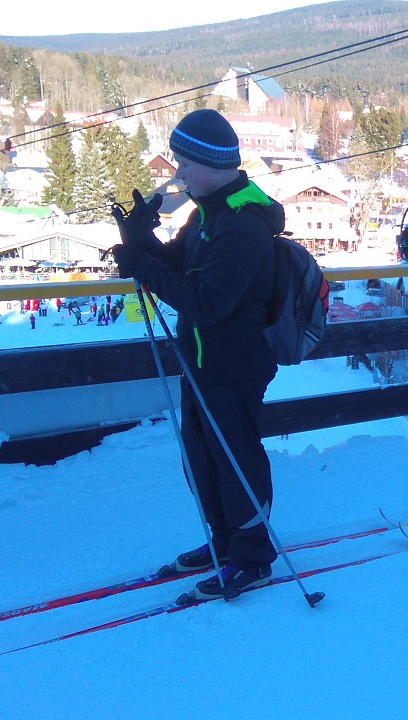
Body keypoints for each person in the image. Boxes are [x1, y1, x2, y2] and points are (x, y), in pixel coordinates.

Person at [110, 109, 282, 600]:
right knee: (203, 459)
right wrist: (140, 238)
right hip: (202, 365)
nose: (179, 173)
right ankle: (225, 542)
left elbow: (205, 302)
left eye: (186, 164)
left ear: (212, 164)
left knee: (235, 459)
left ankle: (252, 557)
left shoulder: (243, 226)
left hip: (234, 366)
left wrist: (142, 265)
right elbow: (175, 265)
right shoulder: (206, 215)